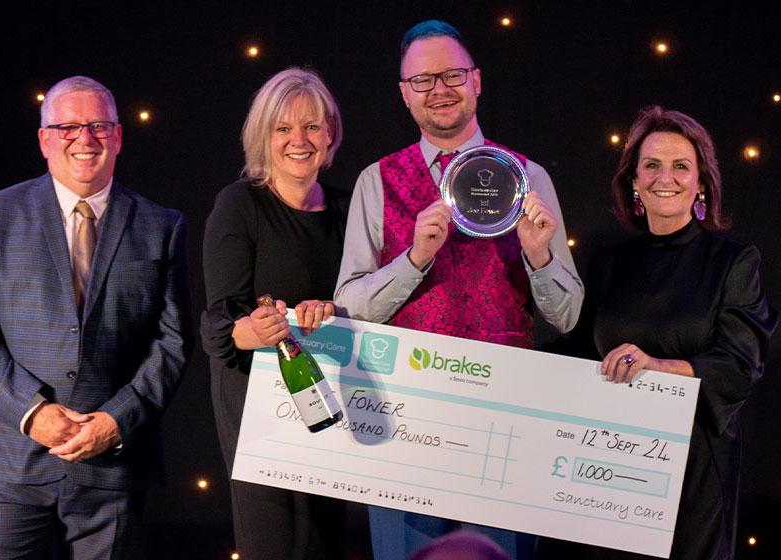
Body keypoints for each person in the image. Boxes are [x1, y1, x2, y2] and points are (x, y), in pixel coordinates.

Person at [333, 20, 583, 560]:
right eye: (422, 81)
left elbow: (566, 316)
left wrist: (538, 254)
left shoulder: (528, 178)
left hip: (506, 421)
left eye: (451, 75)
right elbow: (349, 304)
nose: (438, 89)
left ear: (476, 81)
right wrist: (415, 258)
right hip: (404, 419)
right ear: (404, 94)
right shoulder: (376, 181)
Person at [0, 75, 193, 558]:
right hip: (7, 460)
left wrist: (116, 421)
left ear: (118, 136)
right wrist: (30, 412)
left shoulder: (162, 225)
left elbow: (174, 341)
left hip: (113, 463)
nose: (85, 138)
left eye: (99, 125)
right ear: (44, 140)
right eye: (67, 127)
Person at [535, 106, 778, 559]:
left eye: (681, 166)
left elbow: (740, 365)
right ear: (634, 182)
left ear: (701, 182)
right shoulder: (609, 263)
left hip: (692, 475)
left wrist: (657, 368)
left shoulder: (733, 262)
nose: (665, 177)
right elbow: (576, 353)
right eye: (651, 165)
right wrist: (494, 362)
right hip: (607, 467)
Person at [200, 67, 350, 559]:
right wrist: (253, 329)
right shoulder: (239, 204)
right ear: (262, 136)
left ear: (330, 132)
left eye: (311, 126)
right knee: (274, 543)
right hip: (257, 402)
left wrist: (334, 309)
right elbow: (220, 320)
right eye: (282, 128)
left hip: (338, 397)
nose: (298, 140)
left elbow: (371, 301)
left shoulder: (350, 209)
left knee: (326, 539)